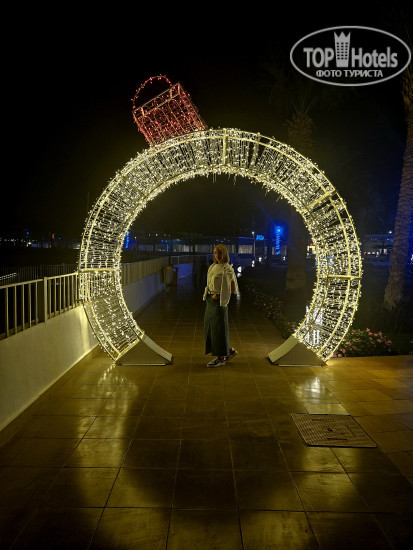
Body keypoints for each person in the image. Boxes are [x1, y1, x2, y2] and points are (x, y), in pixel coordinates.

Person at [203, 244, 238, 367]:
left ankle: (221, 358)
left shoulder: (227, 269)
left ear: (225, 254)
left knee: (218, 329)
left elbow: (232, 288)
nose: (217, 255)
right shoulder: (213, 266)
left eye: (220, 253)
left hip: (219, 302)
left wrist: (219, 297)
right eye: (215, 253)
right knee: (210, 329)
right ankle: (228, 351)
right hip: (210, 301)